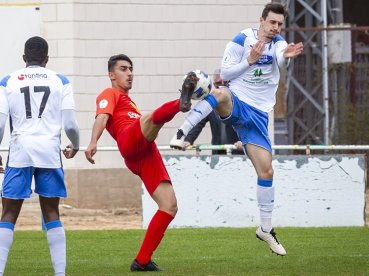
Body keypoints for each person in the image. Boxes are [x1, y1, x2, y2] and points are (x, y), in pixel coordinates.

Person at [170, 2, 303, 256]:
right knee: (219, 92)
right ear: (261, 20)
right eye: (272, 22)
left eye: (279, 24)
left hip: (258, 117)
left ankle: (265, 229)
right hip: (238, 101)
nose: (276, 28)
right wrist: (250, 60)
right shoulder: (242, 39)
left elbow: (281, 59)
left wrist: (286, 58)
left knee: (266, 170)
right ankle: (181, 131)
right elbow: (227, 71)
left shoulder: (279, 44)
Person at [84, 54, 196, 272]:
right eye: (123, 69)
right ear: (111, 75)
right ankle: (179, 102)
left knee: (169, 206)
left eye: (131, 69)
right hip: (129, 140)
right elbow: (101, 117)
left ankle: (142, 261)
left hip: (146, 150)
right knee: (149, 118)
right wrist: (92, 142)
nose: (129, 73)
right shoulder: (109, 93)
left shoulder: (129, 102)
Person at [0, 36, 80, 275]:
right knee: (51, 212)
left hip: (20, 151)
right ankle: (60, 273)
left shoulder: (8, 81)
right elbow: (71, 126)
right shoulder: (61, 81)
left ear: (24, 58)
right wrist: (74, 144)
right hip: (49, 152)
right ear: (47, 58)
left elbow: (0, 123)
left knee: (9, 212)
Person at [183, 69, 243, 155]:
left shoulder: (239, 101)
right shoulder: (210, 104)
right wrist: (188, 140)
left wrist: (244, 141)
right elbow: (199, 122)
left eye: (225, 83)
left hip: (238, 152)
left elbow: (249, 124)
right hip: (218, 153)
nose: (222, 86)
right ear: (214, 84)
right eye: (218, 83)